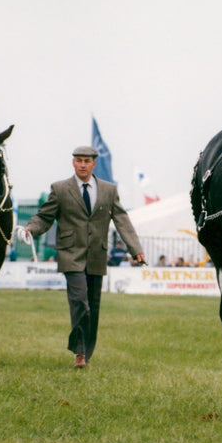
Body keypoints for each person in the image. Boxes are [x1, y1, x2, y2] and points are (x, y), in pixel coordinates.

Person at [22, 146, 146, 369]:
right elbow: (45, 216)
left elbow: (122, 220)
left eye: (86, 161)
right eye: (78, 160)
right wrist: (31, 228)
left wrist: (135, 249)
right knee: (80, 301)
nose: (82, 164)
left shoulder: (109, 190)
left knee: (94, 307)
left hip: (97, 254)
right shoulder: (60, 189)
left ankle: (86, 353)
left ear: (93, 164)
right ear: (73, 163)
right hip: (71, 254)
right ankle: (79, 353)